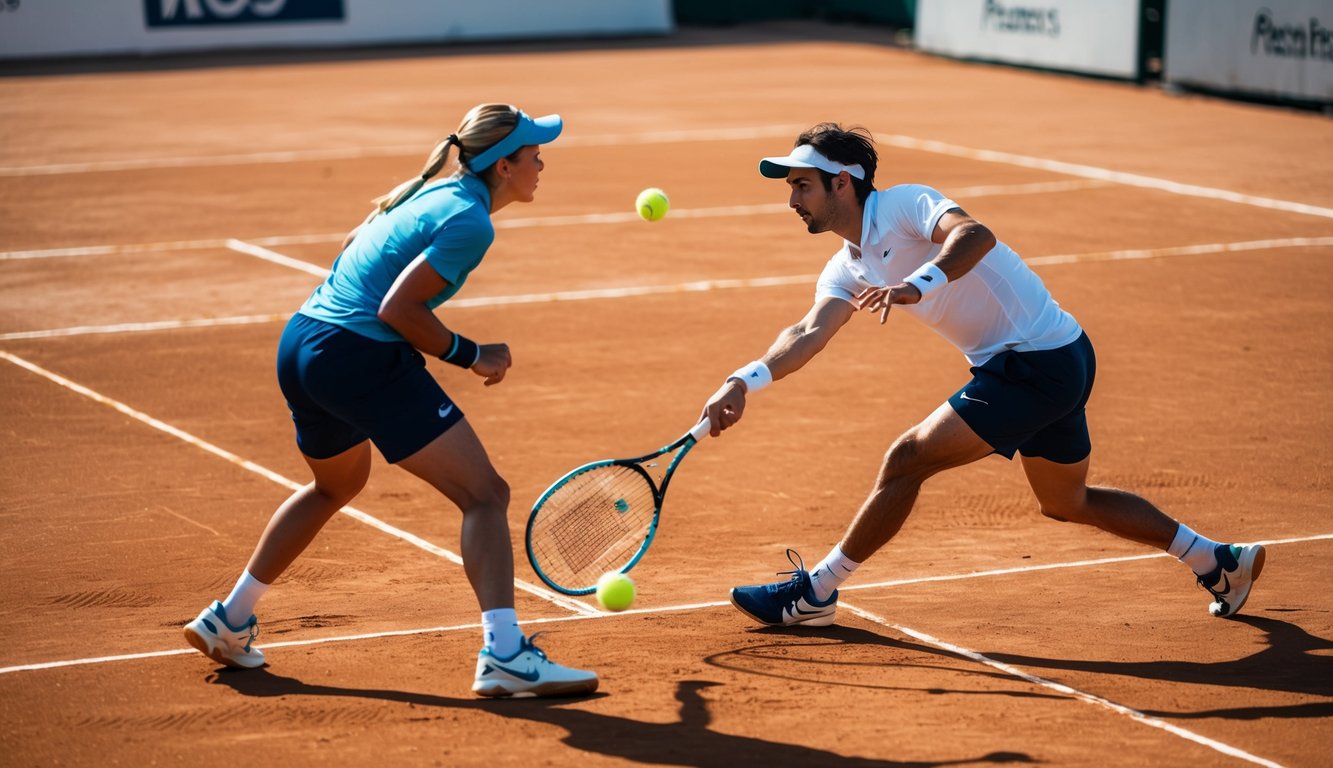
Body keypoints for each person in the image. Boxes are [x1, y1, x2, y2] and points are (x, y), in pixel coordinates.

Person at [701, 123, 1265, 628]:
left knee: (906, 459)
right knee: (1068, 501)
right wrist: (741, 381)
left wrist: (918, 283)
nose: (792, 200)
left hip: (1036, 361)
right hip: (1047, 359)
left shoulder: (904, 204)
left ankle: (816, 593)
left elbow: (975, 235)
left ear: (843, 182)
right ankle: (1217, 560)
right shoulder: (846, 266)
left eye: (802, 186)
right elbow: (806, 334)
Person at [184, 104, 598, 698]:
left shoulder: (426, 195)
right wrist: (470, 353)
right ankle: (506, 654)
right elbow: (397, 312)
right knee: (485, 495)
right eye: (534, 154)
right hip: (356, 357)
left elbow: (356, 246)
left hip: (302, 342)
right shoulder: (469, 221)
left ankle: (229, 617)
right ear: (504, 167)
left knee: (335, 486)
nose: (542, 162)